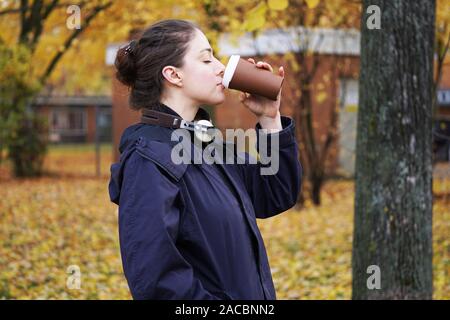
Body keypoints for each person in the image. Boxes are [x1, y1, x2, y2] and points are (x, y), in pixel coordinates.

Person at [108, 19, 302, 300]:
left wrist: (270, 119)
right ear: (174, 75)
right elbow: (157, 283)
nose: (221, 68)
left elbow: (275, 193)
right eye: (206, 59)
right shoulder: (148, 160)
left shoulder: (208, 144)